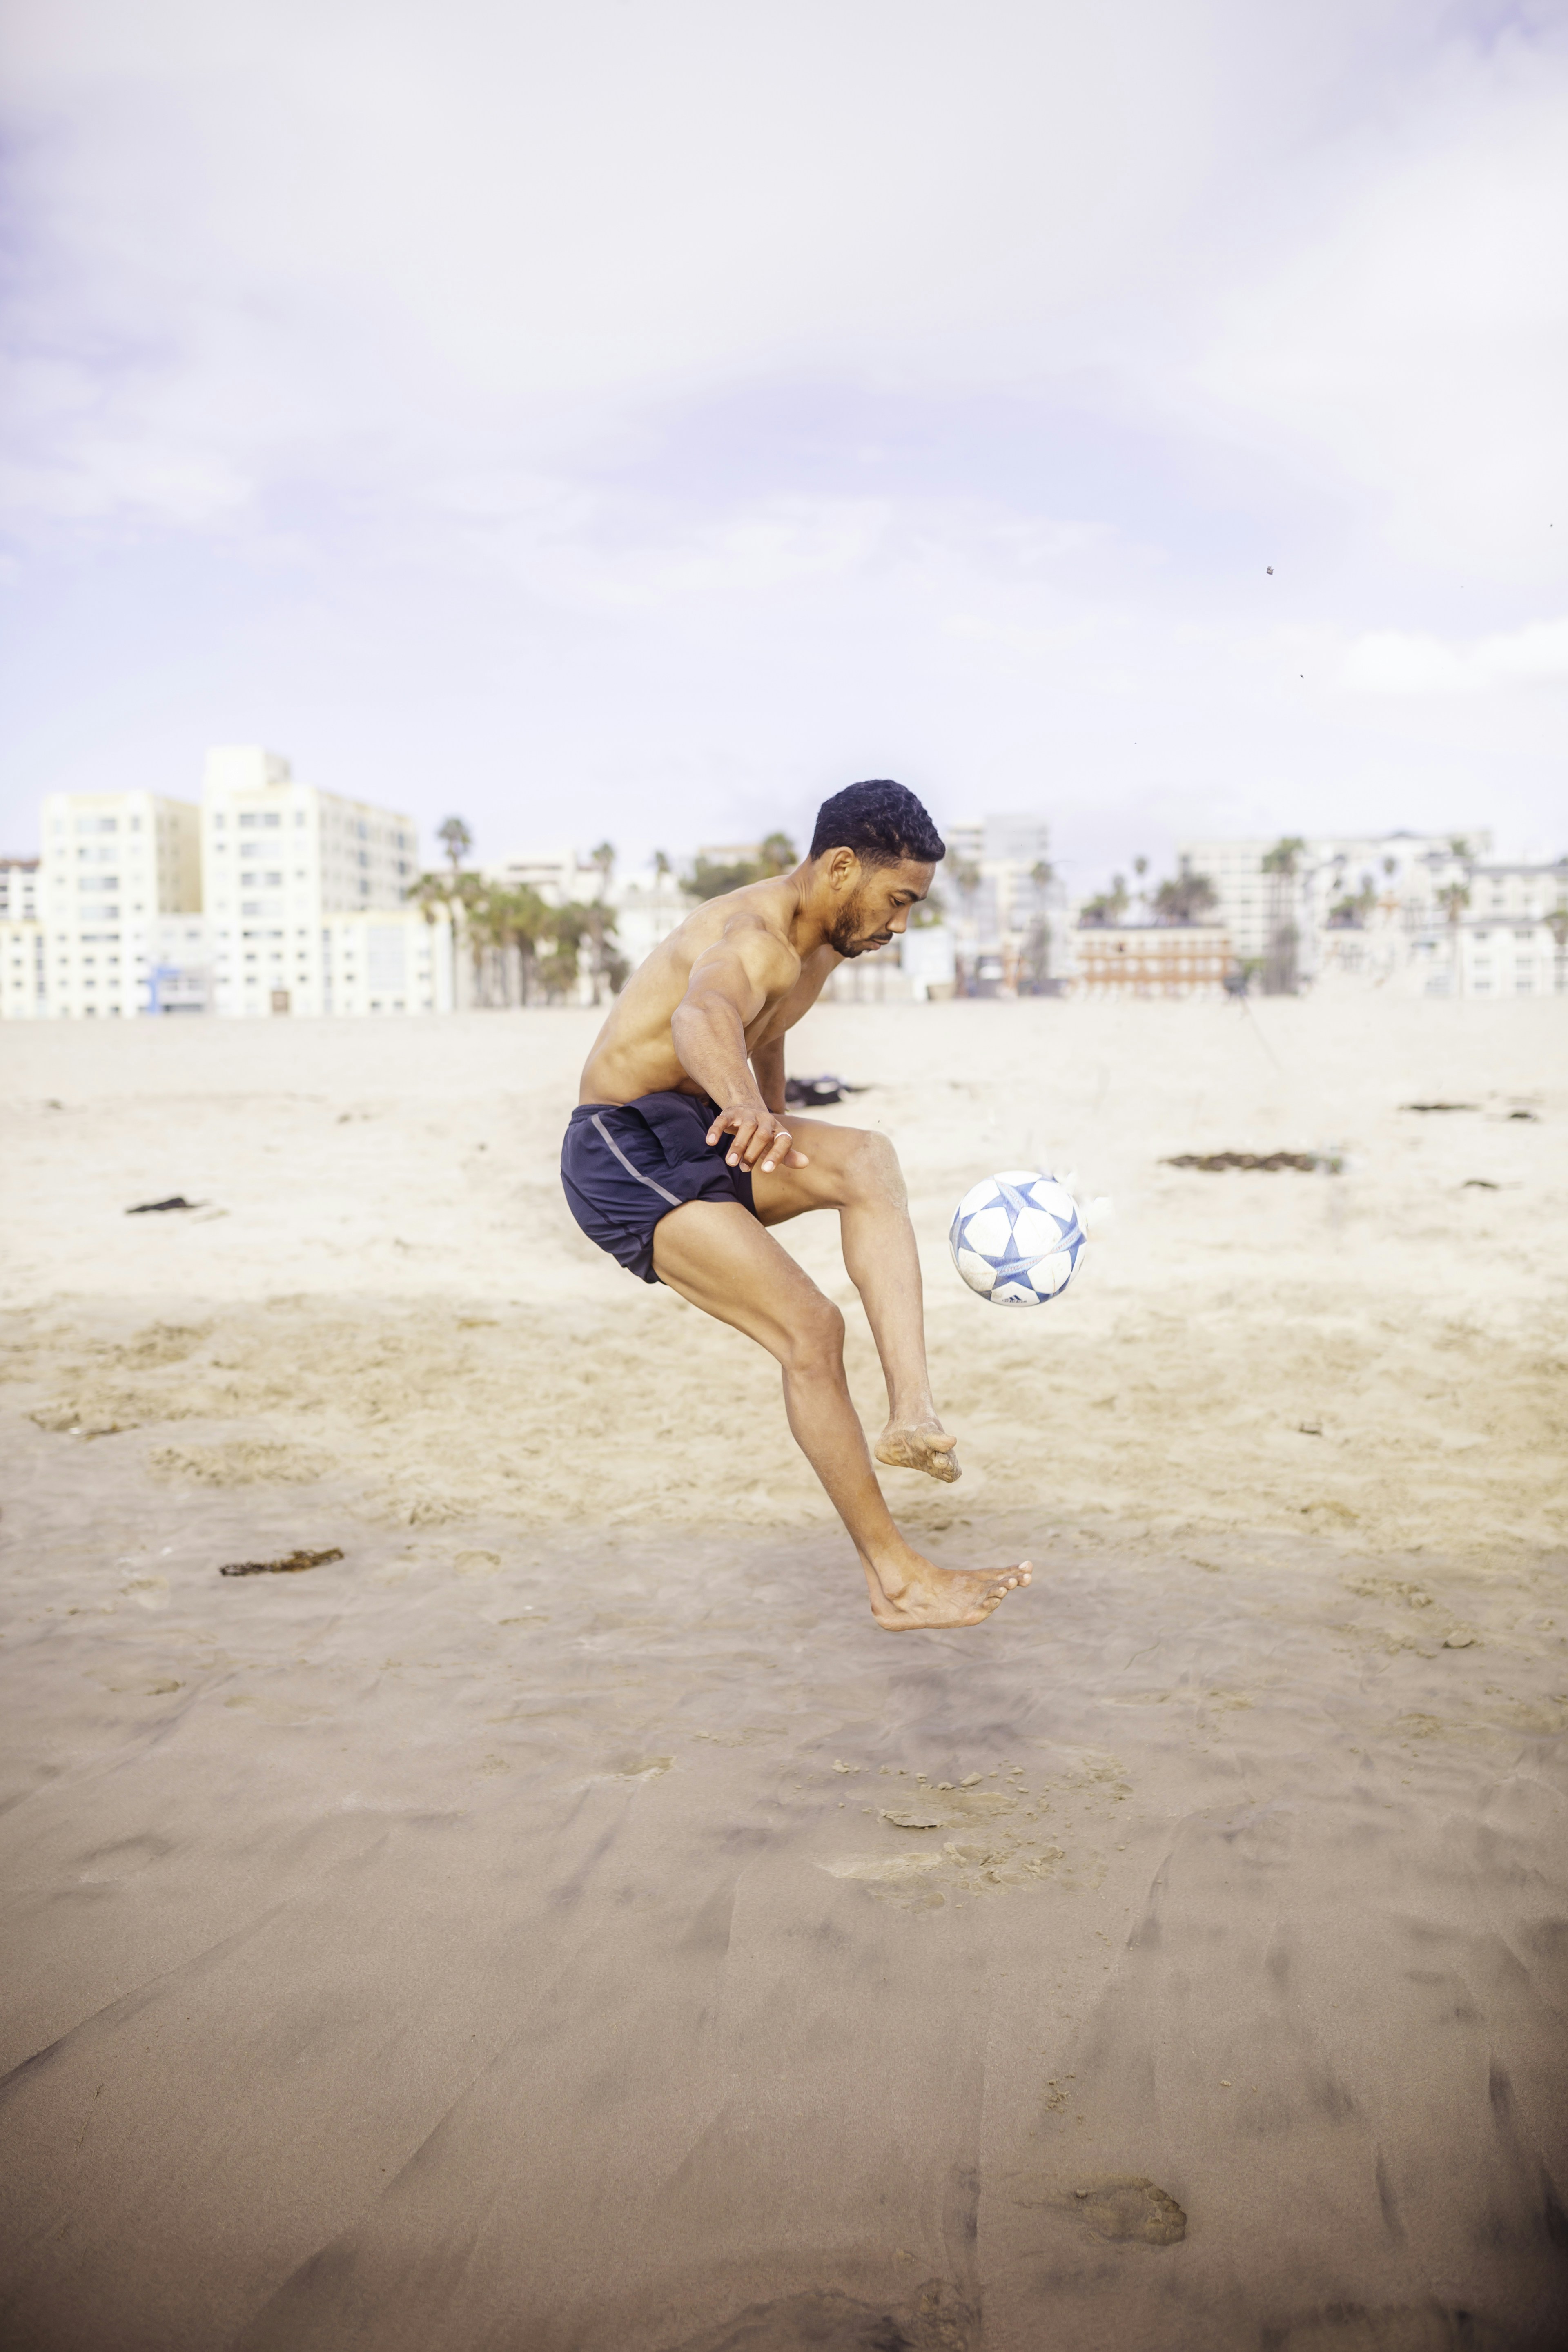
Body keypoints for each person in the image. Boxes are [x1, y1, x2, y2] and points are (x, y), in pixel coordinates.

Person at [561, 779, 1033, 1630]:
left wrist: (762, 1114)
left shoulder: (821, 950)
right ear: (842, 867)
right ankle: (897, 1582)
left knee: (867, 1163)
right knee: (811, 1331)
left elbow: (762, 1034)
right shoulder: (757, 937)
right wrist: (744, 1104)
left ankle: (913, 1413)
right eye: (898, 900)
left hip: (702, 1129)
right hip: (623, 1147)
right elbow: (704, 1015)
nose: (899, 925)